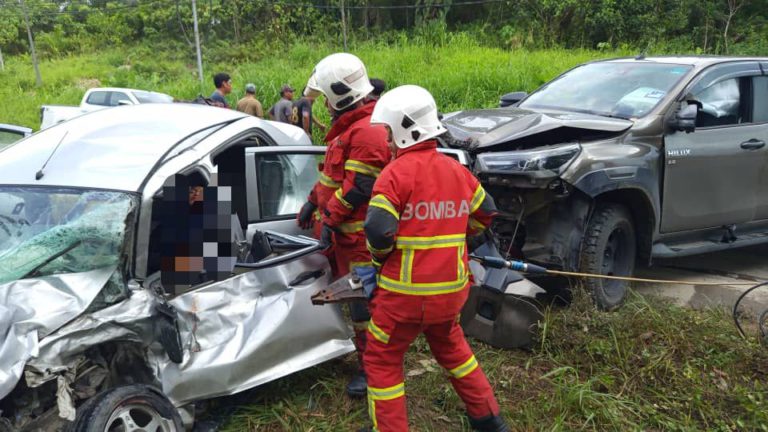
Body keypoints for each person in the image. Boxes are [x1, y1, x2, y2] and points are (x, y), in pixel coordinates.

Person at [361, 85, 509, 432]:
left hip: (402, 298)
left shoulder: (394, 174)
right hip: (450, 294)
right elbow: (486, 212)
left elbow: (379, 230)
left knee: (383, 361)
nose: (385, 140)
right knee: (454, 351)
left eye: (387, 132)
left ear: (402, 129)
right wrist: (461, 236)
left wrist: (379, 260)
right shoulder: (457, 171)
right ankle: (489, 420)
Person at [296, 53, 391, 398]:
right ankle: (367, 360)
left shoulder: (366, 132)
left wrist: (330, 221)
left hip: (360, 244)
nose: (323, 105)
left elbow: (357, 188)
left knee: (365, 308)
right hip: (346, 242)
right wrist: (311, 201)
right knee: (356, 304)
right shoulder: (350, 129)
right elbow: (332, 179)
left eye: (324, 97)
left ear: (340, 95)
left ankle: (374, 371)